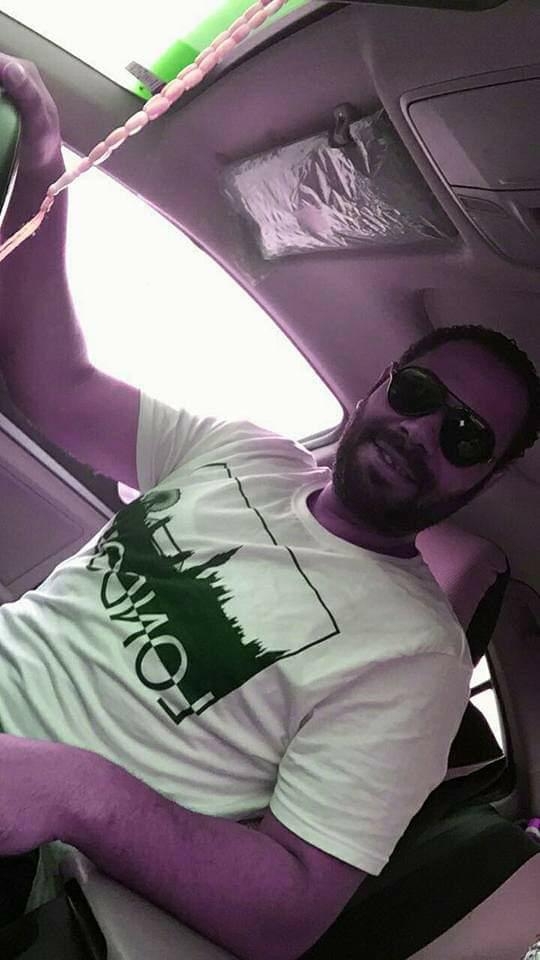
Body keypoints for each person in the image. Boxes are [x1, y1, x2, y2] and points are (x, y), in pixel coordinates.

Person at [0, 55, 538, 960]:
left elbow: (288, 914)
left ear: (481, 480)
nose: (421, 431)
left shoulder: (415, 658)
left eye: (465, 435)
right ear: (376, 388)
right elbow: (57, 384)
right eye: (416, 393)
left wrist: (71, 790)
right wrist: (44, 162)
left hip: (35, 857)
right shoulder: (242, 448)